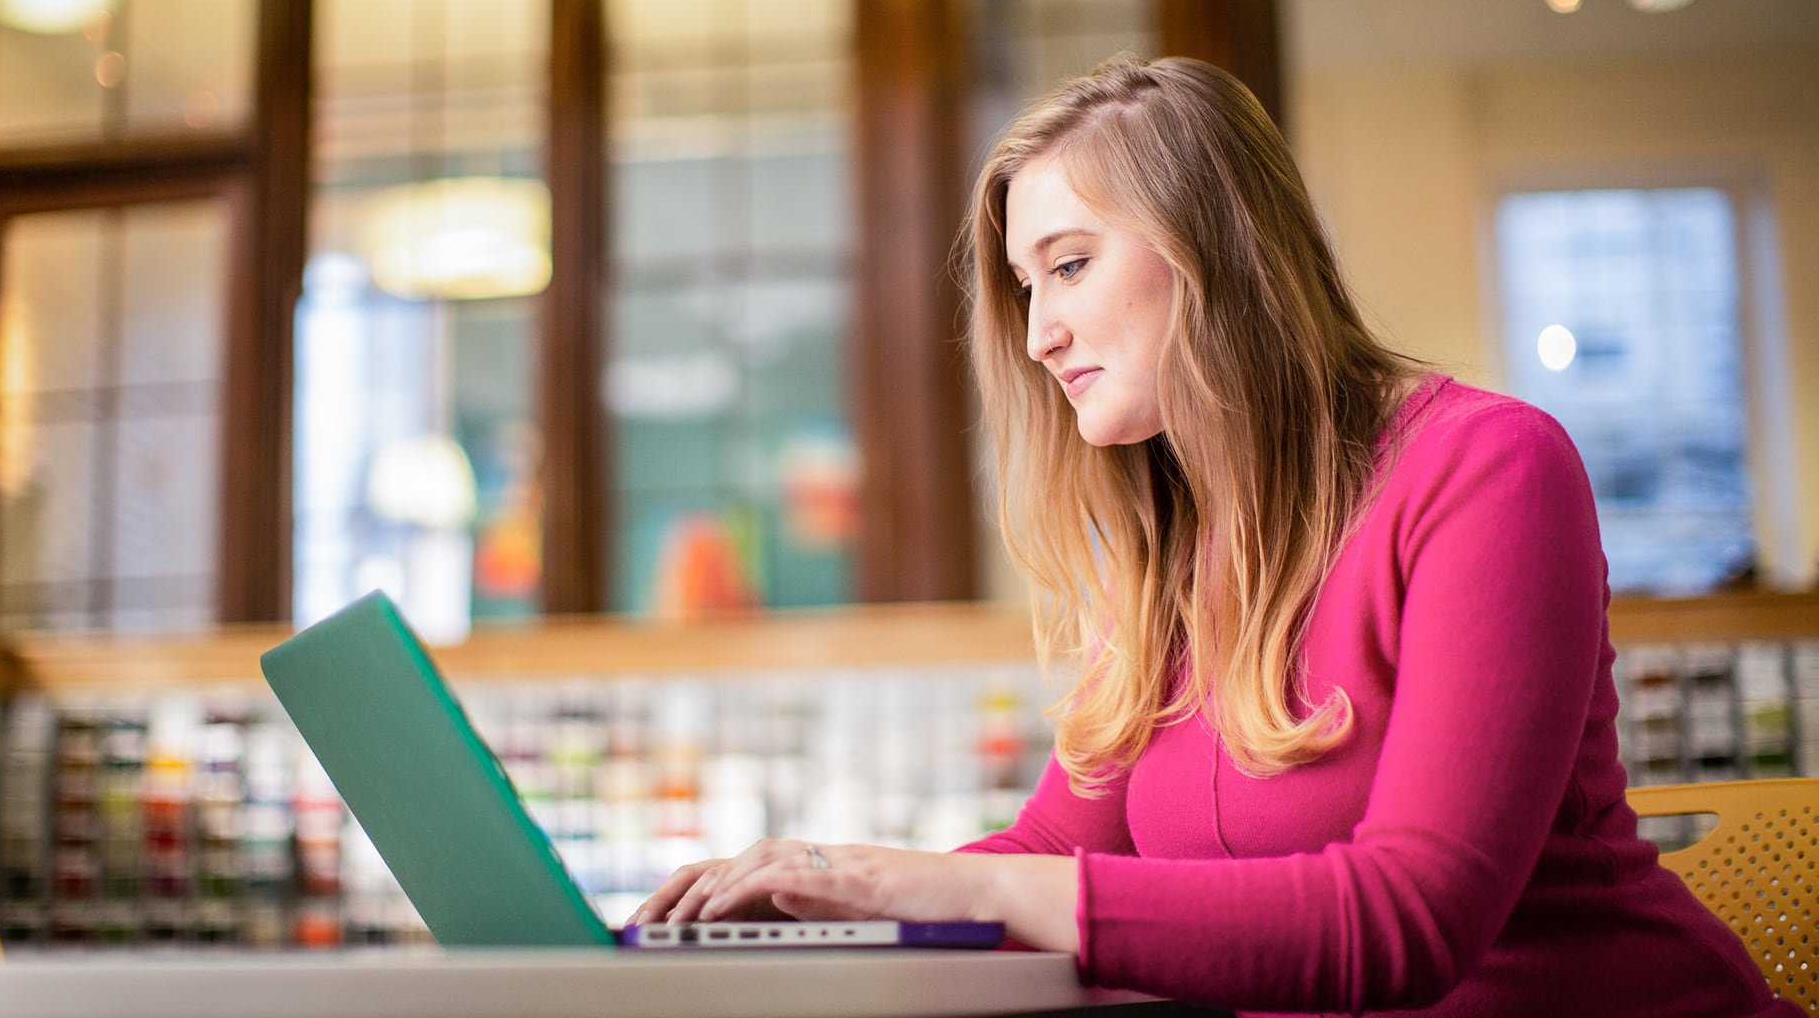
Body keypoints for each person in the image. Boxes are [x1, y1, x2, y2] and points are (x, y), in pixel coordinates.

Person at [629, 55, 1791, 1016]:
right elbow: (1052, 851)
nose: (1039, 336)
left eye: (1070, 266)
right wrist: (811, 893)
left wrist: (928, 888)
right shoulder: (1170, 553)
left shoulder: (1486, 468)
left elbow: (1410, 921)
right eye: (1025, 289)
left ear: (1217, 246)